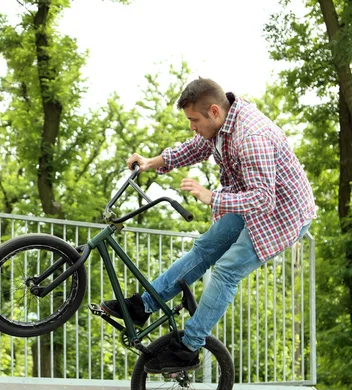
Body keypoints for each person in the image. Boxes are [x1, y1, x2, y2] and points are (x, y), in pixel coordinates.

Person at [102, 77, 316, 374]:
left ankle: (188, 349)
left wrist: (210, 196)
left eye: (194, 120)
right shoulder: (221, 124)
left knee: (226, 270)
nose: (192, 126)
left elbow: (264, 200)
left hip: (282, 214)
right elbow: (194, 148)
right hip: (250, 200)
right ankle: (143, 306)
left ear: (214, 111)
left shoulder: (251, 136)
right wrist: (151, 162)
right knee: (204, 249)